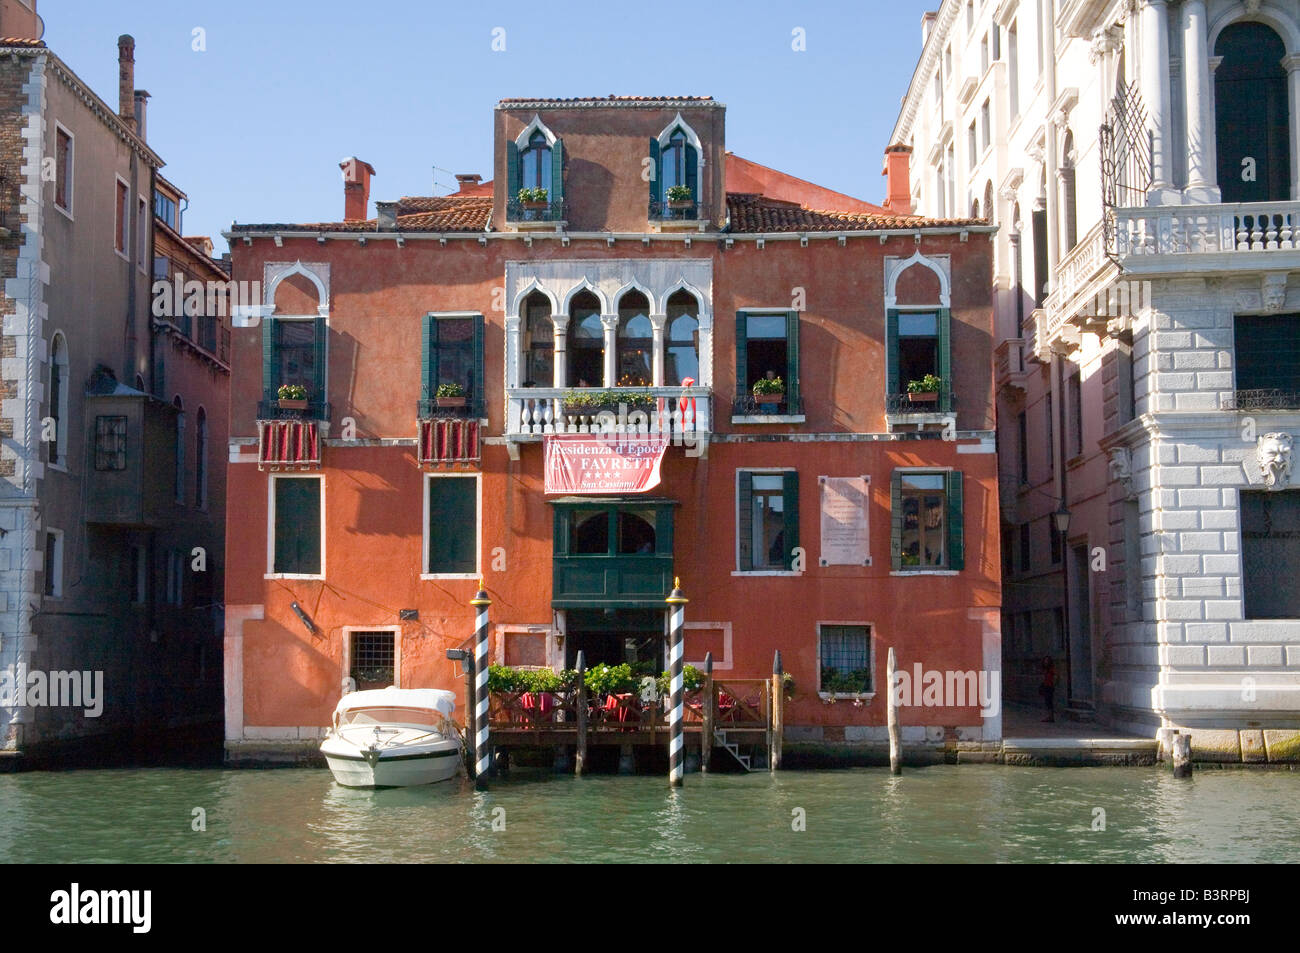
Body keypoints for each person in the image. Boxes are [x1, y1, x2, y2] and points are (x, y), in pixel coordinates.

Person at [1039, 656, 1056, 723]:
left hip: (1050, 686)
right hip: (1046, 686)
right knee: (1047, 702)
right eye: (1045, 660)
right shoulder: (1046, 669)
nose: (1046, 662)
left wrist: (1054, 684)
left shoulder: (1051, 669)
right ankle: (1049, 716)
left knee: (1049, 702)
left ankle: (1051, 716)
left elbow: (1055, 676)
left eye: (1047, 661)